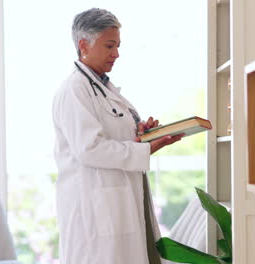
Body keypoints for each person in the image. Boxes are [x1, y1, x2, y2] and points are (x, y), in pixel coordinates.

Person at [52, 7, 184, 264]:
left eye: (118, 46)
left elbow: (113, 135)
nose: (117, 54)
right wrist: (145, 148)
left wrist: (141, 134)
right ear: (84, 45)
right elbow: (89, 149)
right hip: (94, 208)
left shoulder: (102, 87)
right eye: (109, 46)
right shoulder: (74, 90)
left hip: (119, 200)